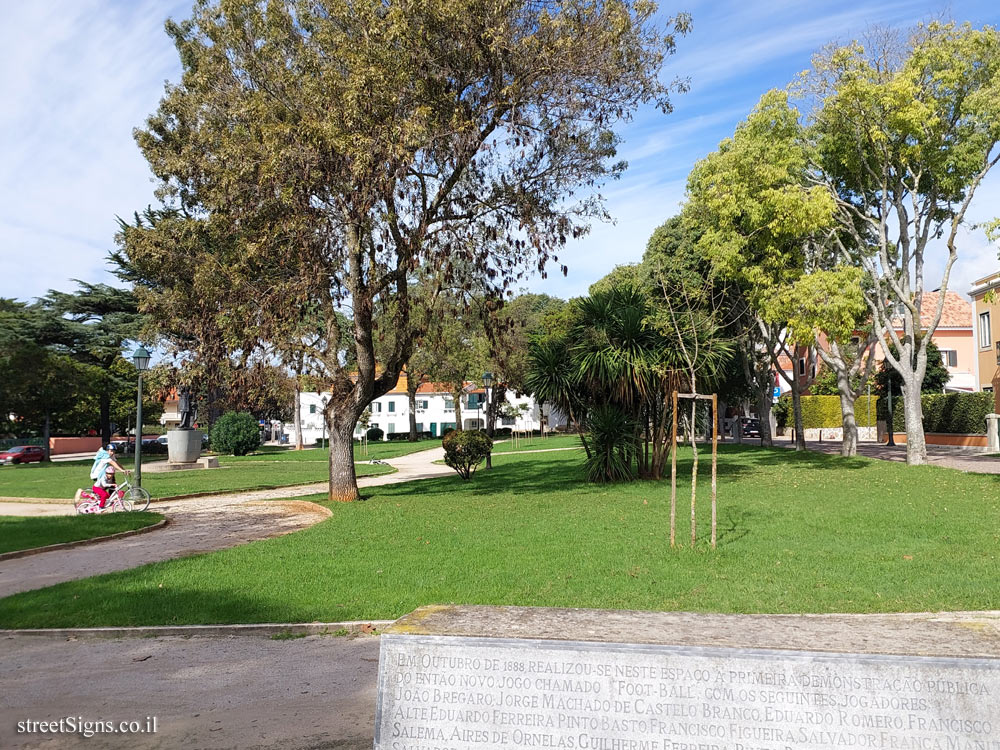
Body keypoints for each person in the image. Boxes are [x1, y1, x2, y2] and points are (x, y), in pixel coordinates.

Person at [89, 444, 128, 509]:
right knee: (106, 486)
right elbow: (113, 463)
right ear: (107, 450)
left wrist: (124, 470)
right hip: (98, 475)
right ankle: (97, 497)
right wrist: (121, 470)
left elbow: (117, 462)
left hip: (106, 474)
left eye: (114, 451)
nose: (112, 452)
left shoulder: (111, 456)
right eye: (111, 451)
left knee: (113, 484)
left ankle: (110, 500)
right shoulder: (105, 456)